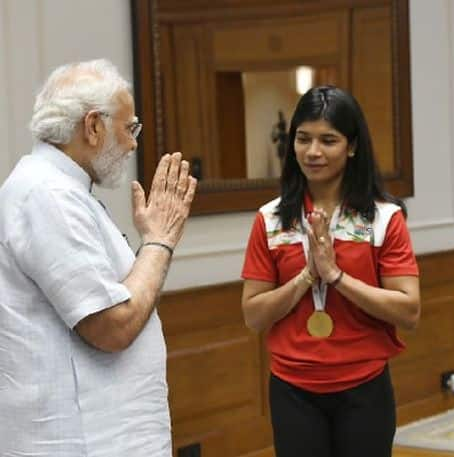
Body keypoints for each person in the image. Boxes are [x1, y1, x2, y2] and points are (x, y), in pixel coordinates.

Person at [0, 59, 196, 455]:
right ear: (93, 126)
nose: (133, 143)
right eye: (129, 128)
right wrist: (158, 242)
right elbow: (112, 326)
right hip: (83, 439)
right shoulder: (48, 195)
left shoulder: (61, 190)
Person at [241, 85, 420, 457]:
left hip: (364, 387)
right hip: (292, 389)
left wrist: (336, 276)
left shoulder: (383, 218)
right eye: (303, 139)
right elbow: (254, 315)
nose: (313, 152)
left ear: (352, 146)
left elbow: (409, 310)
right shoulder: (271, 220)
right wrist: (308, 276)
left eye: (328, 140)